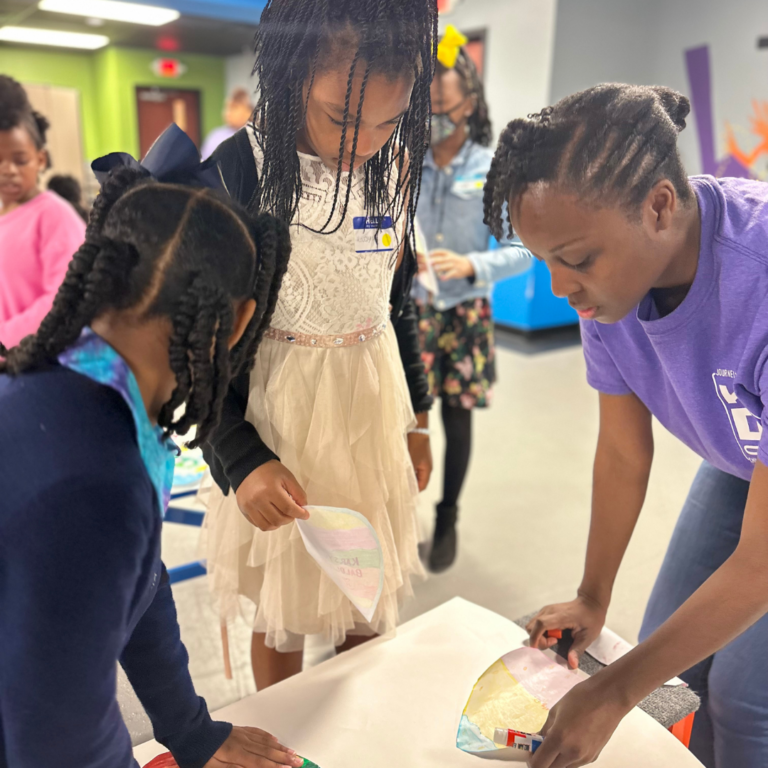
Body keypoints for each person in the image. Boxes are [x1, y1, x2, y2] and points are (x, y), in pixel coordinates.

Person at [483, 83, 768, 768]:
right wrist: (591, 597)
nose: (560, 287)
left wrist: (610, 693)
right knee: (671, 672)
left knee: (744, 697)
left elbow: (759, 564)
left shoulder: (757, 278)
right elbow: (621, 453)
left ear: (659, 207)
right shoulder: (610, 294)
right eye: (546, 261)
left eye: (577, 259)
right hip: (743, 461)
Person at [0, 127, 298, 767]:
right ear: (241, 321)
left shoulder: (78, 385)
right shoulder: (95, 483)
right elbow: (59, 737)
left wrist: (191, 731)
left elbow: (140, 578)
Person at [201, 0, 438, 690]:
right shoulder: (237, 172)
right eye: (341, 116)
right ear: (292, 72)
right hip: (279, 418)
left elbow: (394, 302)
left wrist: (419, 416)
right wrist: (240, 457)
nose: (364, 142)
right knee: (285, 605)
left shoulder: (393, 168)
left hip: (371, 414)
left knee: (365, 588)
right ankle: (282, 731)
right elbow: (198, 346)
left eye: (389, 122)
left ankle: (354, 728)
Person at [415, 27, 532, 573]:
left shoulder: (491, 168)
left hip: (465, 312)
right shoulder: (403, 162)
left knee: (457, 420)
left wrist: (472, 265)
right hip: (410, 312)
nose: (435, 113)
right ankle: (397, 516)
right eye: (428, 104)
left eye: (444, 103)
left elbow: (521, 250)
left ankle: (447, 517)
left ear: (469, 104)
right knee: (404, 419)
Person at [0, 76, 85, 349]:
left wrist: (5, 340)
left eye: (20, 160)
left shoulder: (54, 216)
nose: (8, 170)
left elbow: (64, 299)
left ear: (40, 159)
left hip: (40, 358)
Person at [201, 87, 255, 160]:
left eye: (234, 107)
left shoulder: (256, 137)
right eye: (226, 107)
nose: (227, 113)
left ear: (248, 111)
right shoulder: (215, 135)